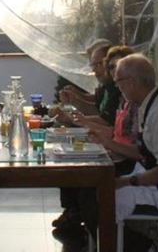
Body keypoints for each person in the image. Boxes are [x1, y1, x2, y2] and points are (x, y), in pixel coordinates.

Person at [78, 54, 158, 252]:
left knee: (97, 198)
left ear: (131, 82)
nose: (117, 87)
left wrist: (126, 181)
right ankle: (121, 244)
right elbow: (142, 152)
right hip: (154, 177)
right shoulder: (148, 105)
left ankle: (145, 247)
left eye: (118, 82)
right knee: (87, 186)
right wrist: (107, 141)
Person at [51, 40, 120, 232]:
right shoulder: (107, 86)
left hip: (113, 148)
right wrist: (76, 98)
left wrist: (77, 118)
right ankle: (74, 211)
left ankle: (84, 219)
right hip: (107, 141)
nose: (96, 69)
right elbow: (96, 105)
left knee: (72, 161)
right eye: (94, 64)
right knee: (65, 154)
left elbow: (106, 121)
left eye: (100, 64)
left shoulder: (117, 89)